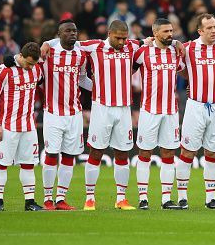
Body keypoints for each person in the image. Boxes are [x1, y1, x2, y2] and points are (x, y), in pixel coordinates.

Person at [44, 20, 142, 210]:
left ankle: (121, 198)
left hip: (124, 108)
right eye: (118, 38)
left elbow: (154, 40)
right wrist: (47, 43)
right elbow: (68, 42)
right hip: (101, 107)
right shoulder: (93, 47)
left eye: (124, 38)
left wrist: (178, 43)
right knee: (96, 152)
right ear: (109, 34)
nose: (122, 42)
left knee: (122, 153)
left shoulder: (132, 46)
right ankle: (90, 198)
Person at [176, 13, 215, 210]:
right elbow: (180, 68)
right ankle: (182, 197)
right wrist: (193, 80)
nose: (214, 30)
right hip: (196, 106)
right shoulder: (190, 48)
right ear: (200, 31)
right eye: (209, 28)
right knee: (187, 152)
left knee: (213, 153)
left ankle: (211, 199)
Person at [40, 20, 92, 211]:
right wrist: (47, 43)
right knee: (52, 154)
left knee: (70, 155)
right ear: (58, 34)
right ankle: (47, 199)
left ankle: (60, 199)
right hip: (53, 113)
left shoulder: (80, 55)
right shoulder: (48, 52)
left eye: (75, 31)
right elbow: (29, 57)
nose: (72, 33)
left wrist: (101, 89)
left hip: (74, 113)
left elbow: (83, 79)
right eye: (68, 31)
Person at [133, 18, 185, 210]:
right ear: (155, 33)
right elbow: (127, 68)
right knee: (145, 153)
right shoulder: (143, 52)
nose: (170, 35)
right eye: (165, 32)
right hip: (149, 111)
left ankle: (166, 199)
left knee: (169, 153)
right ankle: (143, 198)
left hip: (171, 112)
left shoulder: (175, 51)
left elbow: (184, 72)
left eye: (171, 31)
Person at [0, 42, 44, 211]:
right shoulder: (4, 70)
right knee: (1, 164)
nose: (30, 67)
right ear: (20, 55)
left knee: (28, 165)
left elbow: (42, 76)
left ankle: (30, 202)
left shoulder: (36, 69)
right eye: (28, 63)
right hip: (7, 127)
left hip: (28, 126)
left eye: (33, 64)